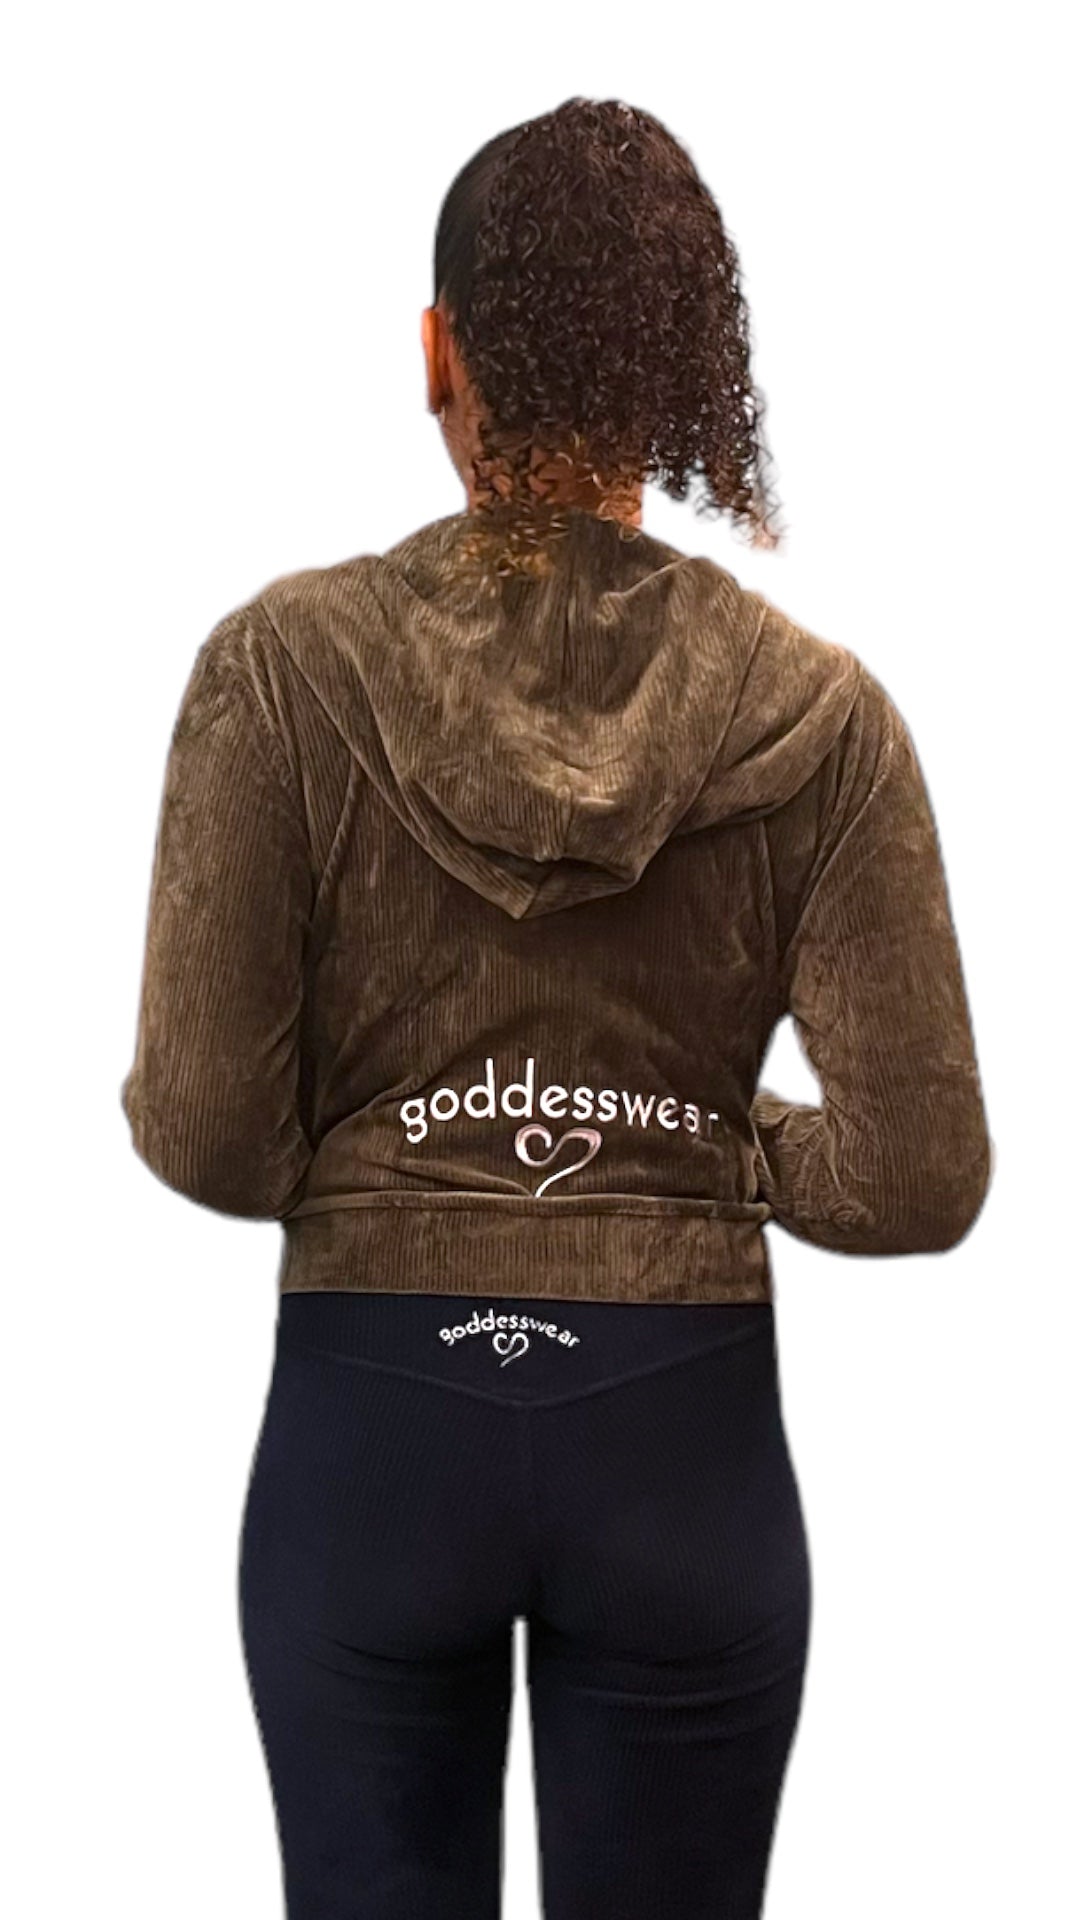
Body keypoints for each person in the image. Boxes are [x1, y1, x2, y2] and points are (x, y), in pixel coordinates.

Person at [119, 96, 992, 1920]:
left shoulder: (279, 672)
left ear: (440, 354)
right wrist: (693, 1143)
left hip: (373, 1441)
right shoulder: (822, 718)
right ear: (673, 380)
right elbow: (919, 1175)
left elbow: (204, 1132)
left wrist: (389, 1151)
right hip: (682, 1451)